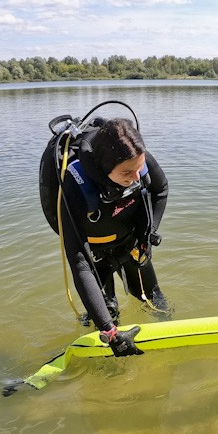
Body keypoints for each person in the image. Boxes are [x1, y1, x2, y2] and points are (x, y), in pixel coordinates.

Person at [52, 117, 170, 356]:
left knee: (156, 302)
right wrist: (111, 332)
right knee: (108, 315)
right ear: (104, 169)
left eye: (139, 168)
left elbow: (161, 189)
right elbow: (79, 262)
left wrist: (150, 232)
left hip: (133, 244)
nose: (137, 177)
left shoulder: (138, 161)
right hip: (95, 257)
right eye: (127, 172)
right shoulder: (74, 187)